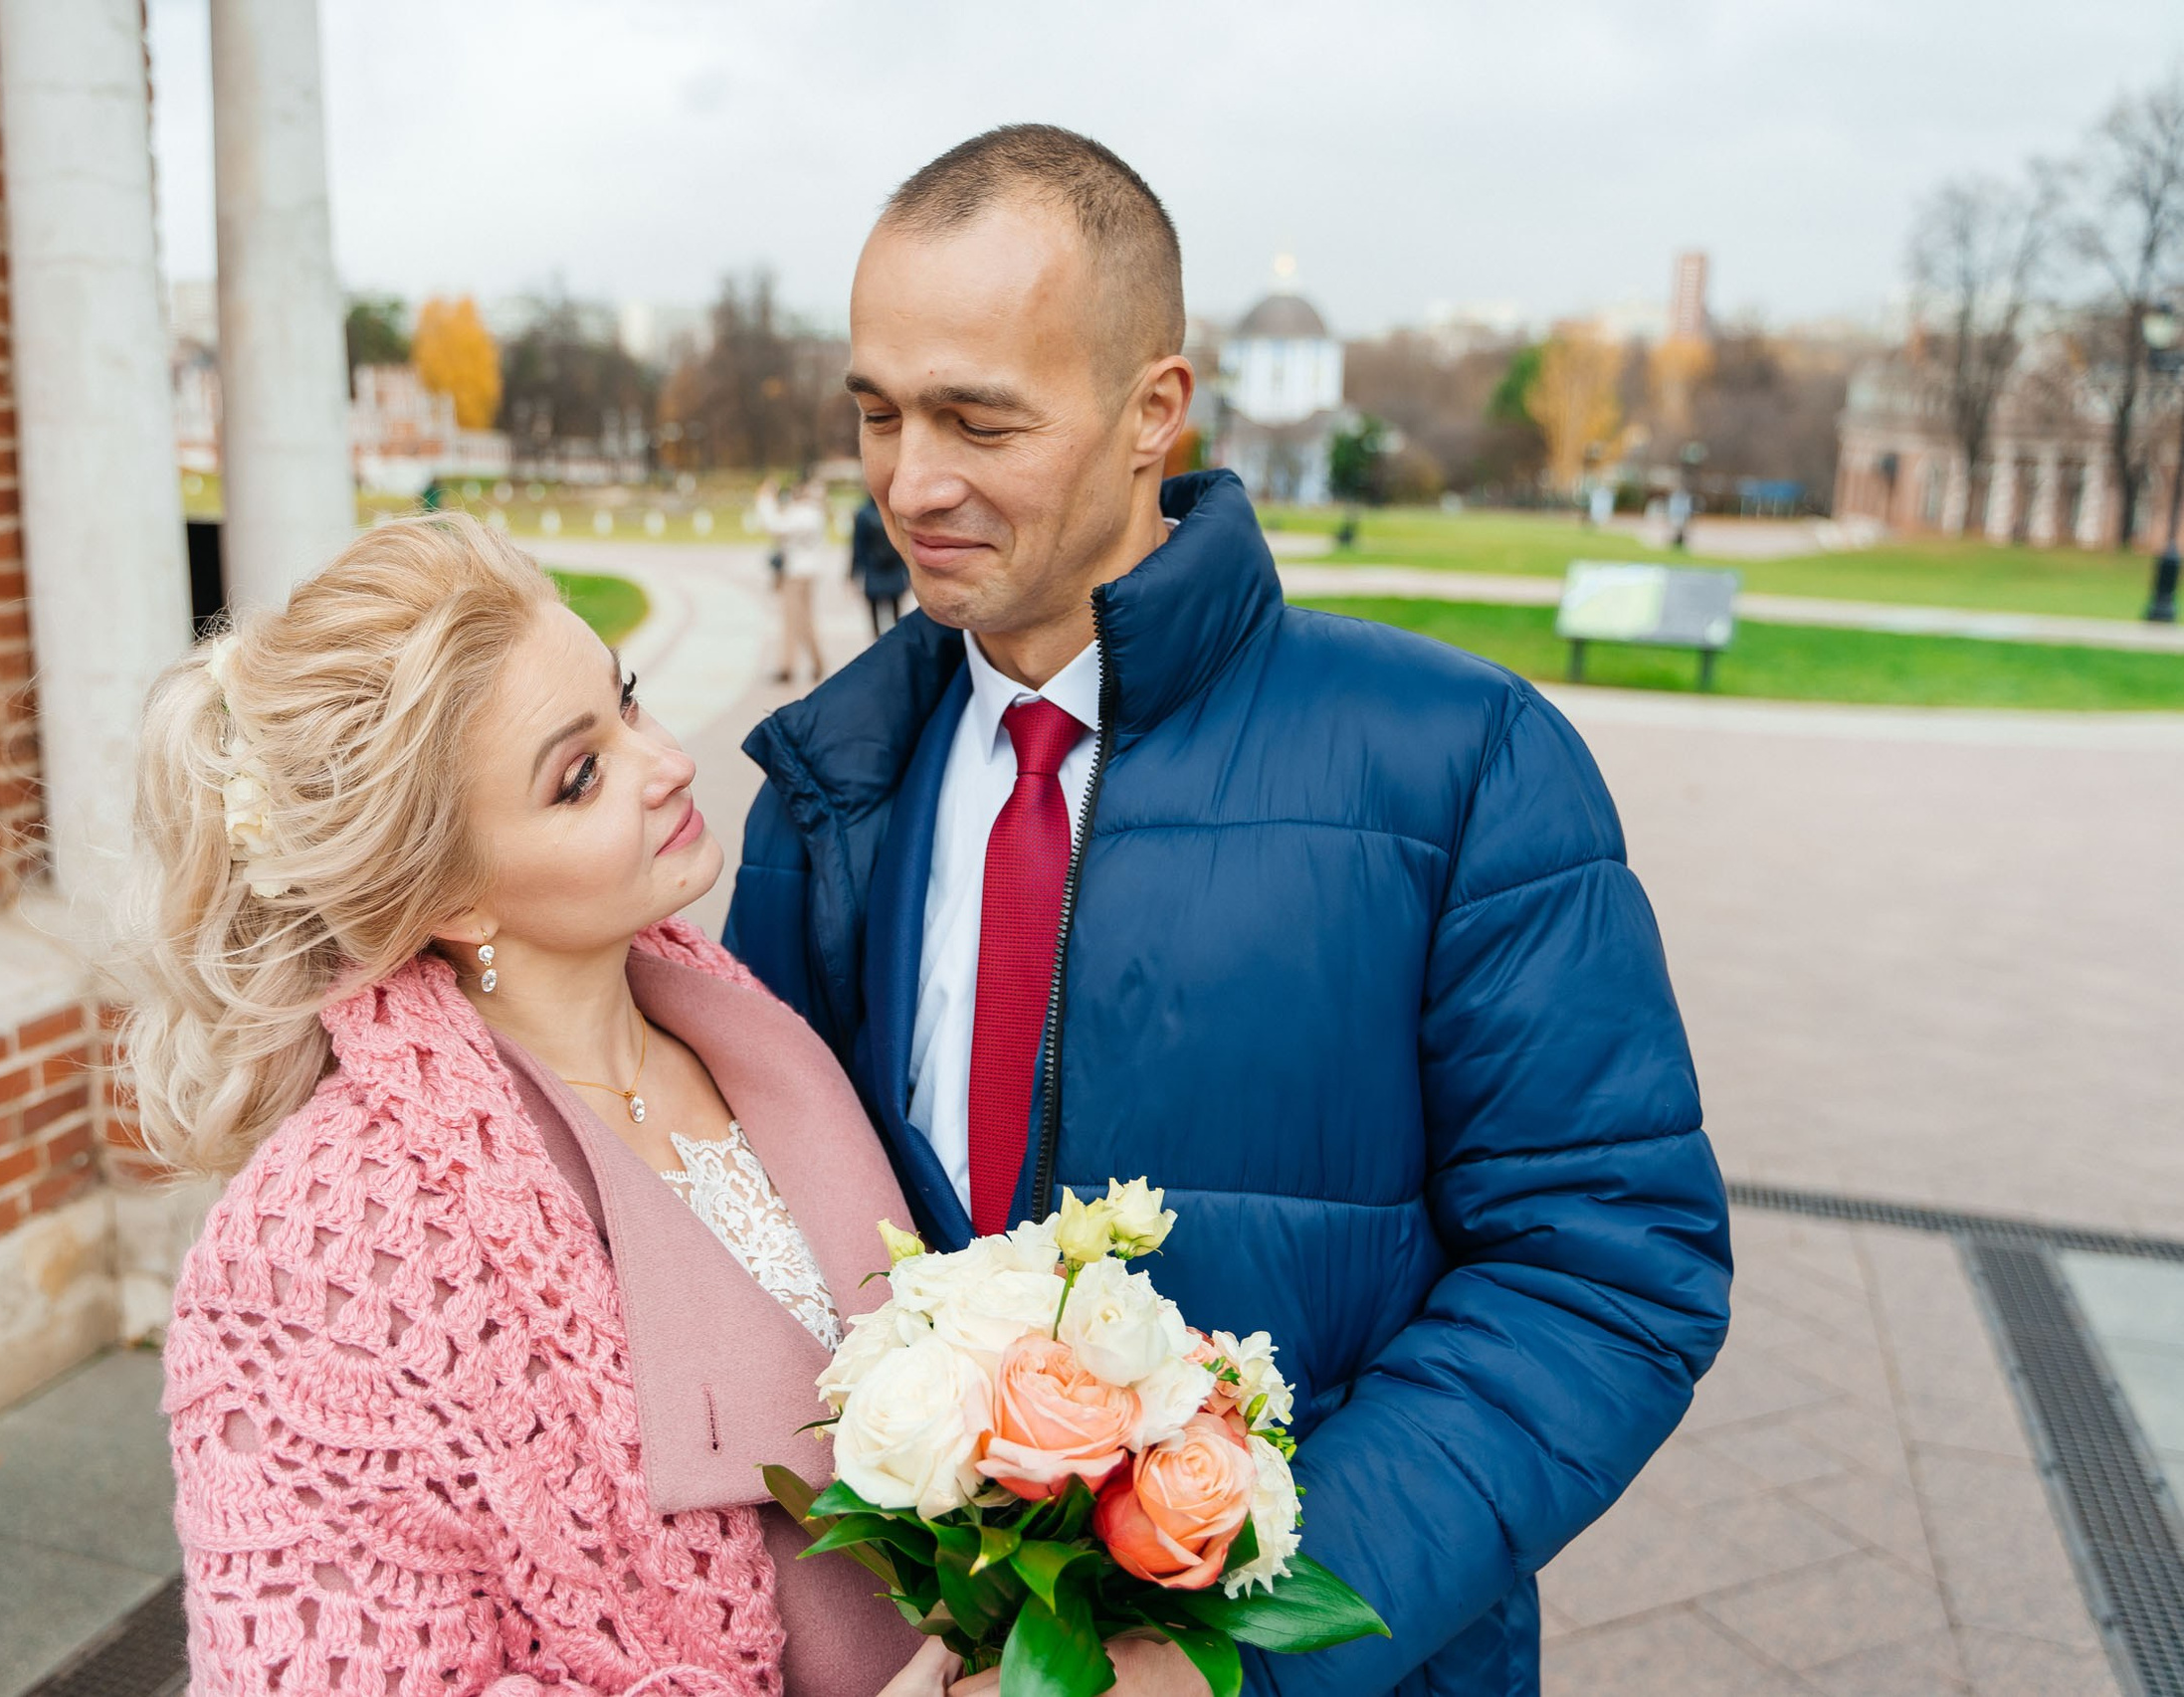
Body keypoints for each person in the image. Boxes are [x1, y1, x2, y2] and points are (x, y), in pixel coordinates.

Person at [724, 125, 1731, 1697]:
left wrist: (1223, 1652)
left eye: (980, 421)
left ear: (1154, 412)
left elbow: (1605, 1266)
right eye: (877, 413)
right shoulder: (821, 790)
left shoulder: (1458, 760)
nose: (911, 483)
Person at [122, 513, 950, 1697]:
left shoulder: (735, 1020)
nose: (665, 762)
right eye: (580, 775)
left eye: (626, 701)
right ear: (451, 893)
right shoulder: (310, 1259)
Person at [760, 476, 832, 684]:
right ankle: (811, 662)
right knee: (802, 619)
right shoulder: (813, 512)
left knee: (793, 619)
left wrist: (765, 499)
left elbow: (774, 525)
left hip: (796, 574)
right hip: (807, 572)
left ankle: (789, 666)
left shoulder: (804, 513)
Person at [852, 492, 911, 636]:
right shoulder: (895, 512)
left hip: (873, 570)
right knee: (896, 610)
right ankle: (897, 642)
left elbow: (858, 546)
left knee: (874, 613)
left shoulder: (863, 513)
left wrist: (853, 573)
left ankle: (877, 641)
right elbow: (904, 543)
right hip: (895, 569)